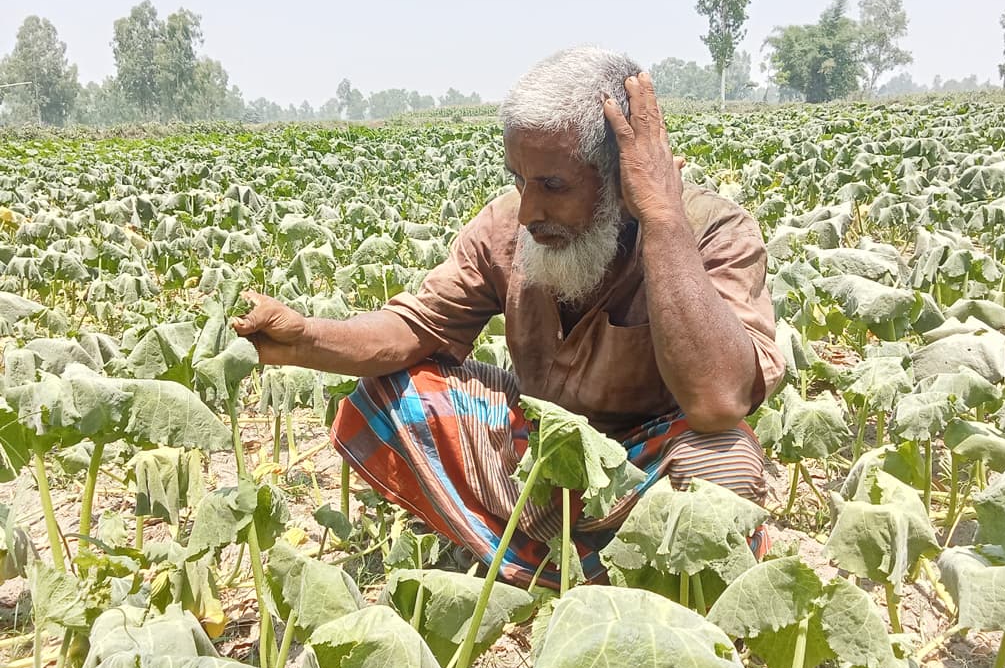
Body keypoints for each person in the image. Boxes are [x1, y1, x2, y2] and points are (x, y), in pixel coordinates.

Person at [231, 47, 784, 588]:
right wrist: (304, 336)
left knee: (724, 461)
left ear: (623, 177)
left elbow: (718, 403)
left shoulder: (713, 230)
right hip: (542, 455)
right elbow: (413, 327)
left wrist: (662, 220)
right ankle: (541, 564)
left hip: (646, 465)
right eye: (520, 180)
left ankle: (656, 594)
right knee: (395, 391)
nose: (528, 211)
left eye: (553, 186)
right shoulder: (507, 227)